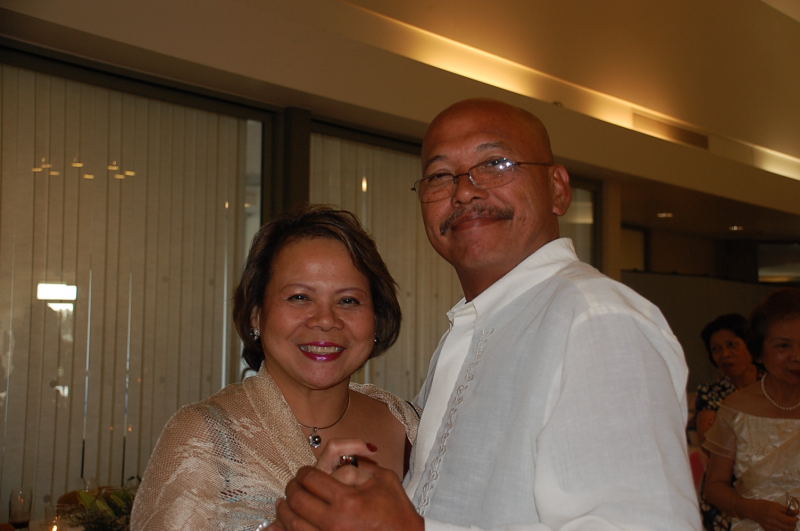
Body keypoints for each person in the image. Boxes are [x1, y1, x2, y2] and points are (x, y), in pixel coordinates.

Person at [273, 98, 700, 529]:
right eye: (440, 176)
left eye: (495, 164)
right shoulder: (473, 332)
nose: (463, 191)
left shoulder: (595, 320)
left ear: (557, 189)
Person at [130, 206, 419, 529]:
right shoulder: (203, 437)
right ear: (256, 315)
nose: (326, 320)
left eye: (348, 300)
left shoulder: (411, 426)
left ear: (376, 318)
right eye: (299, 297)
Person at [704, 288, 800, 531]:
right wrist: (751, 509)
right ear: (759, 351)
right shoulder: (736, 409)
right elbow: (713, 487)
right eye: (783, 346)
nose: (797, 356)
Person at [695, 314, 763, 530]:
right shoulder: (711, 393)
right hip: (725, 487)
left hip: (773, 483)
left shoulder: (774, 386)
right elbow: (708, 444)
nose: (724, 354)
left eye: (732, 345)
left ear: (750, 345)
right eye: (716, 349)